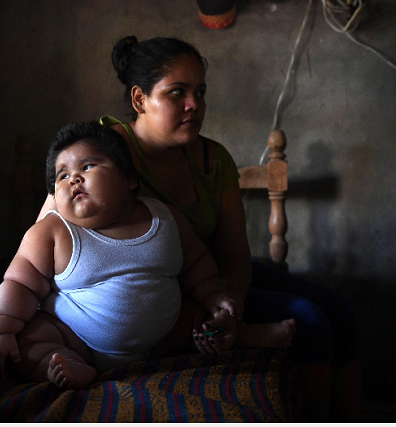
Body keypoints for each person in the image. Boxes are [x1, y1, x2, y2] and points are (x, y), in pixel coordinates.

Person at [39, 36, 361, 421]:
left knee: (339, 307)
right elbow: (47, 231)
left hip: (210, 279)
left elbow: (235, 254)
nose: (194, 105)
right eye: (177, 92)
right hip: (158, 293)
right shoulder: (102, 154)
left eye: (200, 92)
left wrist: (229, 309)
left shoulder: (213, 159)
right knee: (308, 320)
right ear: (140, 100)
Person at [0, 121, 296, 389]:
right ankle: (68, 368)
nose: (74, 179)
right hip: (76, 338)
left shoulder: (163, 218)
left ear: (129, 179)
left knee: (203, 319)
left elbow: (198, 266)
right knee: (32, 342)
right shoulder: (51, 233)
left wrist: (215, 295)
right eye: (62, 175)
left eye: (88, 166)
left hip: (164, 337)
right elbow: (19, 284)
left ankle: (240, 334)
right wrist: (1, 331)